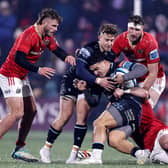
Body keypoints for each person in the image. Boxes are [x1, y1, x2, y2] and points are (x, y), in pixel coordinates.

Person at [0, 8, 75, 162]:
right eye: (54, 26)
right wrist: (38, 69)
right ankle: (19, 147)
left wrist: (67, 56)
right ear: (44, 23)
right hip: (10, 75)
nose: (56, 29)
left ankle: (19, 148)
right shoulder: (28, 35)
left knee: (32, 111)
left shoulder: (47, 36)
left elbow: (56, 49)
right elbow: (18, 58)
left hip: (21, 76)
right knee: (16, 113)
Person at [39, 23, 118, 163]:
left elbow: (105, 78)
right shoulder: (88, 50)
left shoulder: (112, 55)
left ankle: (73, 155)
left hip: (89, 84)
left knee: (82, 117)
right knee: (65, 115)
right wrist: (98, 81)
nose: (109, 43)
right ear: (99, 37)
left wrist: (96, 85)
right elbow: (80, 70)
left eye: (112, 40)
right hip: (72, 80)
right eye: (107, 39)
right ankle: (45, 149)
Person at [72, 57, 149, 164]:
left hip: (131, 104)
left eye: (97, 68)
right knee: (114, 140)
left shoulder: (120, 65)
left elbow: (142, 69)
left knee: (99, 123)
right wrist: (84, 90)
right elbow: (93, 102)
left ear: (104, 62)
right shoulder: (99, 81)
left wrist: (124, 77)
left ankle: (95, 158)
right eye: (93, 71)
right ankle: (141, 154)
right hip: (129, 114)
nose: (96, 72)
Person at [112, 15, 165, 108]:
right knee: (118, 108)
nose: (133, 33)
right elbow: (108, 59)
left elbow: (153, 73)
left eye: (137, 30)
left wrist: (143, 91)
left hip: (154, 79)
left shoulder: (150, 42)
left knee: (143, 110)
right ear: (127, 28)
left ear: (142, 30)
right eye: (131, 29)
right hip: (134, 77)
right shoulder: (120, 40)